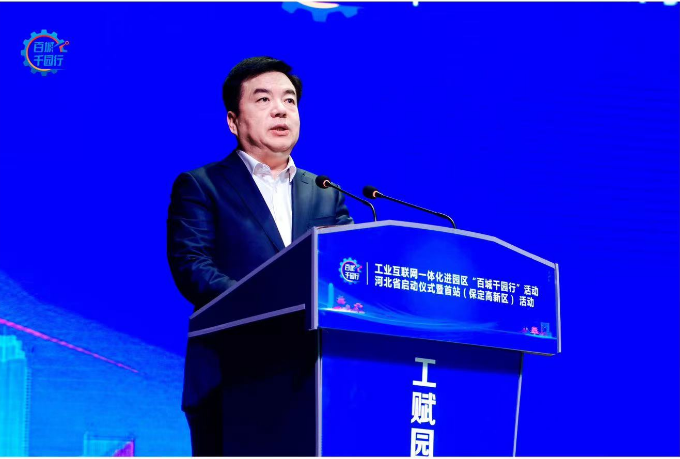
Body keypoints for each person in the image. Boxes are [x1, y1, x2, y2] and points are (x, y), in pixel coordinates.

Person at [167, 56, 353, 455]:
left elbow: (346, 274)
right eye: (264, 99)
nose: (280, 110)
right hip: (231, 376)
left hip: (314, 377)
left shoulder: (327, 193)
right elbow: (193, 268)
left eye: (289, 100)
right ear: (233, 121)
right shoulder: (202, 186)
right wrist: (273, 308)